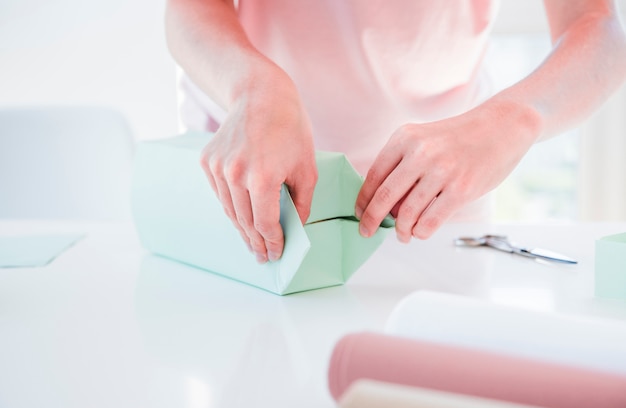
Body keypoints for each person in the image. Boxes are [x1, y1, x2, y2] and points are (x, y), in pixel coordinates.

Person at [165, 0, 626, 264]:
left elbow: (596, 27)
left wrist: (511, 120)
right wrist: (254, 88)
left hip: (434, 203)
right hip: (250, 191)